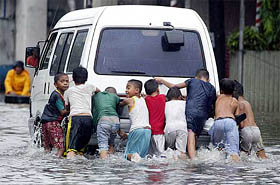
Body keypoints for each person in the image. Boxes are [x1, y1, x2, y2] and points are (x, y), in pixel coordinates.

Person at [156, 69, 216, 160]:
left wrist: (162, 81)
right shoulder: (212, 88)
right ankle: (193, 155)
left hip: (192, 111)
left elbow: (174, 87)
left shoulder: (192, 81)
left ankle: (193, 160)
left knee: (191, 134)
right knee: (195, 135)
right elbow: (210, 103)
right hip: (203, 114)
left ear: (196, 77)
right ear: (208, 79)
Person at [64, 66, 100, 159]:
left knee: (70, 149)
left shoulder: (68, 91)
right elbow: (99, 91)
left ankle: (68, 169)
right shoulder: (90, 87)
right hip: (88, 119)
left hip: (75, 118)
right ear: (86, 78)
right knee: (80, 150)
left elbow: (67, 107)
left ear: (73, 78)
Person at [233, 80, 267, 159]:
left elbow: (240, 123)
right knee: (262, 155)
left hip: (246, 131)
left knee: (244, 157)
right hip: (256, 131)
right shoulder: (247, 103)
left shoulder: (238, 104)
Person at [208, 78, 240, 162]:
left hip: (218, 122)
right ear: (233, 90)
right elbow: (237, 116)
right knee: (233, 151)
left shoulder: (218, 97)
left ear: (221, 89)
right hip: (230, 122)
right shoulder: (235, 101)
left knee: (217, 149)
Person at [120, 79, 151, 162]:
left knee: (128, 155)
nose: (126, 90)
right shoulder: (143, 99)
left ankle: (134, 156)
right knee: (141, 157)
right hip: (147, 131)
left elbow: (120, 103)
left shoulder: (130, 100)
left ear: (137, 90)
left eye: (128, 88)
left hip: (137, 129)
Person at [93, 87, 127, 159]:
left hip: (104, 121)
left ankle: (104, 164)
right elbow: (117, 113)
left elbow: (95, 113)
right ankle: (112, 160)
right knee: (111, 144)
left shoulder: (97, 96)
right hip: (115, 122)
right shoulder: (116, 97)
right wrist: (119, 130)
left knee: (103, 146)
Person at [41, 73, 69, 157]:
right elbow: (63, 112)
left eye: (67, 81)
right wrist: (73, 109)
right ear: (55, 84)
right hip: (53, 123)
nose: (65, 83)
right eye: (62, 81)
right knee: (61, 148)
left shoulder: (56, 94)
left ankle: (47, 163)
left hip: (45, 123)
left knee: (47, 148)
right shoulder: (57, 95)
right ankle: (56, 165)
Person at [164, 87, 188, 159]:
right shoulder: (185, 103)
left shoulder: (165, 104)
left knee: (169, 151)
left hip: (169, 128)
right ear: (180, 97)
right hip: (182, 128)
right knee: (181, 152)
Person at [144, 79, 166, 157]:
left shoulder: (146, 100)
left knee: (149, 155)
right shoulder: (162, 98)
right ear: (158, 89)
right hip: (159, 132)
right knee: (161, 155)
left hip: (149, 132)